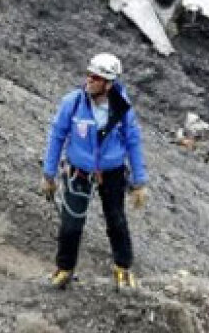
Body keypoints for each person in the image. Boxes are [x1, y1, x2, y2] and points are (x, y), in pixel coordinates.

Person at [41, 52, 149, 289]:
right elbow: (57, 136)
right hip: (79, 171)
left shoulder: (122, 108)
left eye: (96, 77)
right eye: (88, 74)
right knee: (71, 224)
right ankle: (64, 269)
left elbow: (133, 141)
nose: (89, 80)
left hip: (112, 172)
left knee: (116, 221)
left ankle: (122, 267)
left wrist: (139, 182)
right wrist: (48, 175)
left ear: (108, 84)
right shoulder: (73, 103)